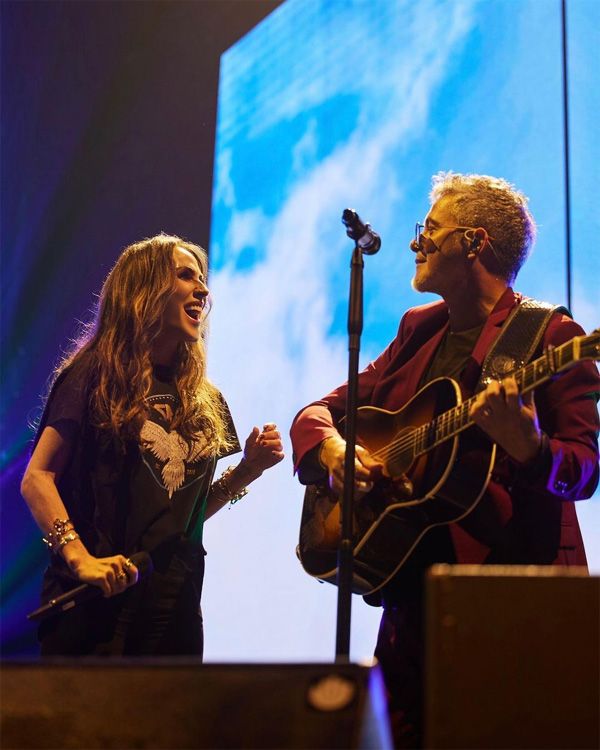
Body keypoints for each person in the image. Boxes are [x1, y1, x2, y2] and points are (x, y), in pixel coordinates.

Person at [290, 172, 599, 747]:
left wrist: (531, 448)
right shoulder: (418, 329)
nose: (415, 242)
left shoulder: (552, 335)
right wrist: (331, 447)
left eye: (430, 229)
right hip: (412, 595)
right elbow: (320, 412)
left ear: (474, 242)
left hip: (511, 604)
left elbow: (584, 469)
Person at [21, 233, 284, 656]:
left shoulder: (205, 400)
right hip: (96, 608)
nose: (202, 289)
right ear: (145, 291)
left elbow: (183, 515)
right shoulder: (93, 374)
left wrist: (248, 470)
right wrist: (79, 558)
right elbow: (37, 478)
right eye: (185, 276)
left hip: (174, 609)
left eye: (202, 279)